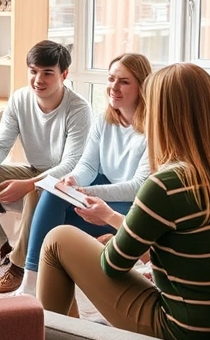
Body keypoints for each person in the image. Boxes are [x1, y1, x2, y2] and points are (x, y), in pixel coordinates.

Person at [37, 63, 210, 340]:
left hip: (180, 331)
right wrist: (114, 219)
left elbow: (114, 265)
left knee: (59, 240)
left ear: (163, 116)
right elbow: (190, 244)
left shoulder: (168, 183)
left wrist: (115, 241)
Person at [0, 40, 91, 294]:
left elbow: (71, 164)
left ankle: (19, 266)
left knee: (35, 192)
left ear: (64, 74)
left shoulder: (78, 109)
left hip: (65, 183)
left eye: (47, 73)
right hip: (33, 170)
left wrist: (29, 184)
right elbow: (0, 144)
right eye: (33, 71)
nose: (38, 79)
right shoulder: (20, 99)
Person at [20, 53, 153, 295]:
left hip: (131, 206)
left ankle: (45, 287)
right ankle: (30, 281)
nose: (114, 87)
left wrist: (84, 191)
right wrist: (73, 181)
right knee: (53, 195)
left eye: (124, 81)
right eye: (111, 79)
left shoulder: (154, 127)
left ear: (142, 86)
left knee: (57, 230)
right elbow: (88, 166)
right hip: (104, 189)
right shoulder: (104, 119)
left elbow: (137, 187)